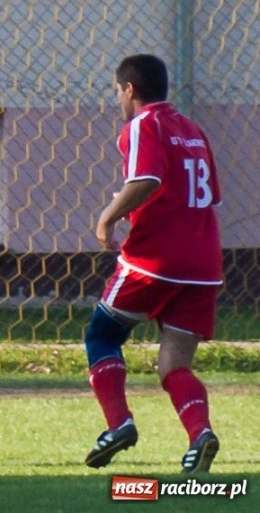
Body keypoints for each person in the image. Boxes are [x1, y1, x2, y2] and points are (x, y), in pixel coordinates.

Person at [84, 54, 223, 474]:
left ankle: (119, 424)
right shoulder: (193, 131)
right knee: (174, 365)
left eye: (117, 92)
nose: (118, 100)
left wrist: (108, 215)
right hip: (203, 264)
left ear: (129, 89)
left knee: (102, 333)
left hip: (157, 258)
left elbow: (148, 179)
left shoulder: (144, 125)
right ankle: (200, 435)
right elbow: (208, 195)